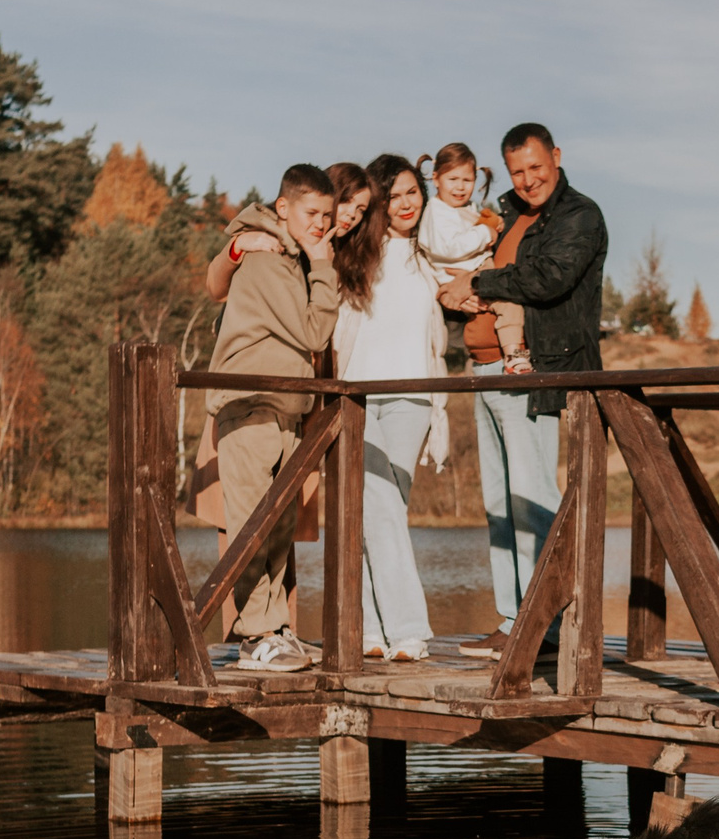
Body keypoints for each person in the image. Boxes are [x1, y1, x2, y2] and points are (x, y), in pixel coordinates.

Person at [435, 123, 608, 660]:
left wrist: (477, 283)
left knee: (531, 498)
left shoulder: (578, 215)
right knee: (498, 503)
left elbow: (548, 277)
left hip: (530, 370)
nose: (528, 180)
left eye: (536, 167)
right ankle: (513, 620)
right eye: (517, 171)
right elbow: (479, 274)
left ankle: (547, 628)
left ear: (556, 156)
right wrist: (456, 294)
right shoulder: (506, 215)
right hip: (484, 369)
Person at [203, 164, 340, 673]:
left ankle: (274, 628)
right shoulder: (267, 260)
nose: (320, 224)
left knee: (278, 527)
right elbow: (313, 331)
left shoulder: (289, 256)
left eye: (326, 216)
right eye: (312, 213)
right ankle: (255, 635)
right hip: (251, 405)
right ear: (283, 208)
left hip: (285, 409)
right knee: (251, 526)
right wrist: (323, 265)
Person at [330, 153, 448, 663]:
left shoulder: (432, 255)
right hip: (356, 396)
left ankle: (371, 629)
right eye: (393, 195)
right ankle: (408, 628)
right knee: (376, 504)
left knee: (383, 510)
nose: (405, 204)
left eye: (412, 192)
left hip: (413, 398)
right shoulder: (354, 252)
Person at [415, 143, 526, 374]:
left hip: (475, 271)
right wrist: (485, 233)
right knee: (509, 305)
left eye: (467, 180)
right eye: (453, 179)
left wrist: (492, 222)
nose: (460, 187)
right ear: (436, 179)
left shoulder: (462, 208)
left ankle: (509, 353)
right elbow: (450, 247)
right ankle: (514, 355)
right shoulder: (436, 212)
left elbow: (476, 226)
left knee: (508, 304)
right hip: (463, 276)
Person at [204, 161, 374, 305]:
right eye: (346, 201)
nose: (352, 214)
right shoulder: (270, 234)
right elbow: (217, 291)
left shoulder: (342, 252)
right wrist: (237, 246)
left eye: (361, 209)